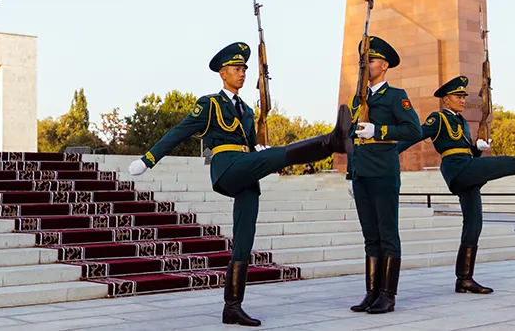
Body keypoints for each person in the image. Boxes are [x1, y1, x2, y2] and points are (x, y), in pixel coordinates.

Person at [128, 42, 354, 327]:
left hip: (248, 170)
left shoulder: (246, 110)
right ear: (223, 73)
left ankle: (232, 307)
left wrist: (258, 148)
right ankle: (330, 142)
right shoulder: (209, 104)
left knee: (244, 239)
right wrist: (148, 159)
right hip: (228, 168)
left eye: (244, 69)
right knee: (276, 155)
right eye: (236, 69)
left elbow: (249, 143)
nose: (242, 73)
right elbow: (179, 132)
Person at [396, 76, 515, 295]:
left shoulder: (462, 122)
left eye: (464, 97)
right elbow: (415, 136)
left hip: (468, 167)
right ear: (446, 100)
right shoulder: (438, 118)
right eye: (458, 96)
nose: (463, 100)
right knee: (510, 163)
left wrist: (477, 148)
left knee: (474, 223)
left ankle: (464, 279)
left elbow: (466, 150)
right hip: (457, 170)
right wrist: (388, 154)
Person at [346, 36, 421, 315]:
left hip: (383, 172)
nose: (366, 65)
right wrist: (350, 174)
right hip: (362, 172)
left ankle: (387, 295)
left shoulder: (395, 96)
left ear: (385, 65)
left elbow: (414, 130)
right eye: (363, 61)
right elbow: (351, 138)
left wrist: (380, 132)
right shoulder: (358, 99)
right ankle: (372, 293)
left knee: (387, 234)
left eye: (372, 60)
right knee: (370, 235)